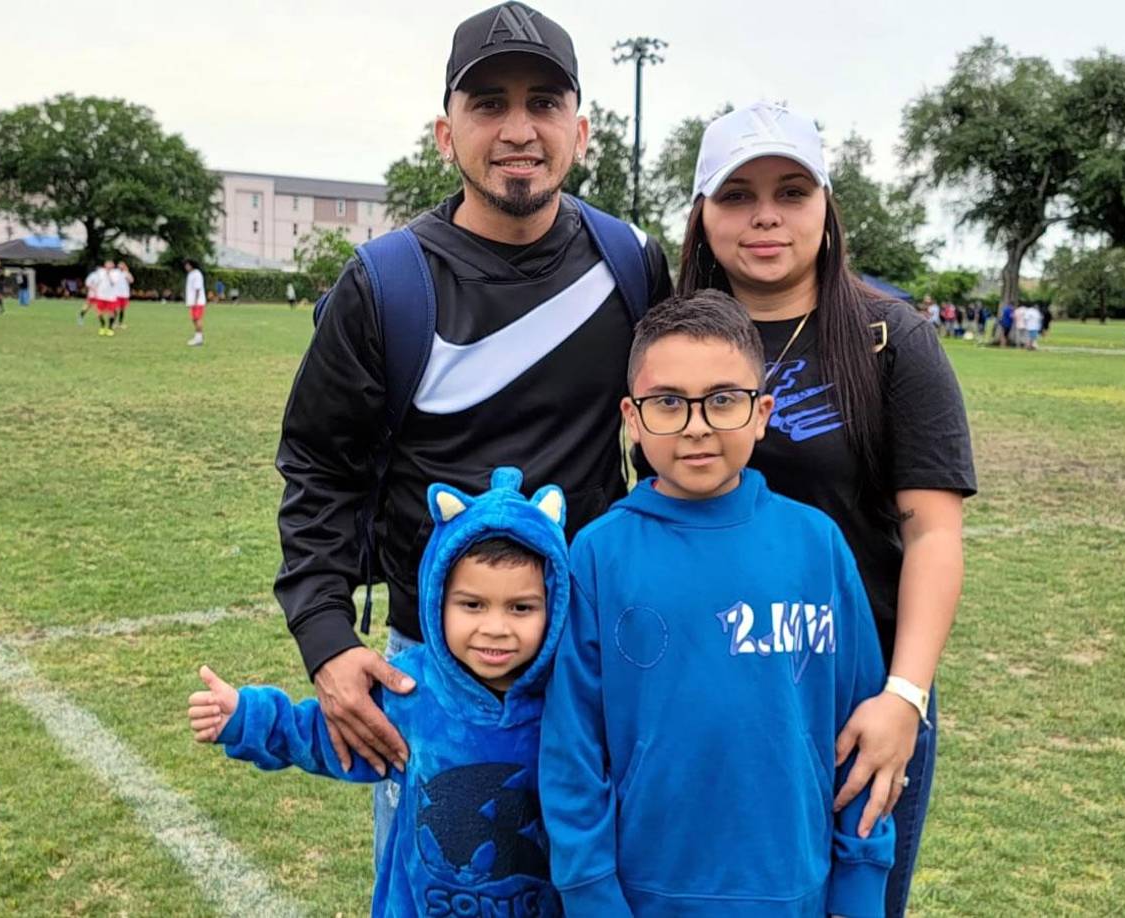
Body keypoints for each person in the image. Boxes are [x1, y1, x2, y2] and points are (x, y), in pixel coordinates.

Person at [272, 0, 672, 875]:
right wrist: (329, 641)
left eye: (543, 103)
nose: (518, 129)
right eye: (488, 103)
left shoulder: (632, 264)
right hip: (435, 677)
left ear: (582, 128)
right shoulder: (385, 285)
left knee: (599, 889)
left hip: (592, 665)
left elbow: (667, 454)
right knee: (450, 887)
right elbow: (318, 470)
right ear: (446, 133)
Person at [675, 102, 976, 917]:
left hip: (858, 699)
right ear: (702, 214)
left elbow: (934, 531)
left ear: (826, 206)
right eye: (736, 194)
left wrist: (903, 698)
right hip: (704, 689)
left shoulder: (892, 336)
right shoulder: (670, 337)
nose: (765, 216)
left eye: (791, 191)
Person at [540, 292, 895, 916]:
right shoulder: (598, 553)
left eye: (723, 400)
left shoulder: (817, 546)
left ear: (762, 413)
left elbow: (860, 737)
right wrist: (591, 894)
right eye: (669, 402)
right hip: (641, 895)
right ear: (632, 417)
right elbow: (572, 748)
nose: (697, 425)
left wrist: (860, 884)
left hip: (795, 891)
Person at [189, 469, 569, 916]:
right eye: (472, 605)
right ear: (436, 598)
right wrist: (246, 717)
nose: (496, 628)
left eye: (521, 608)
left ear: (554, 602)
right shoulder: (411, 690)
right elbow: (325, 734)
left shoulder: (570, 699)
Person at [184, 259, 206, 346]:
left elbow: (198, 288)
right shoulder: (190, 274)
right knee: (194, 319)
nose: (186, 267)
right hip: (192, 302)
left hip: (198, 302)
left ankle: (199, 338)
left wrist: (196, 301)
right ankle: (197, 337)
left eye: (187, 265)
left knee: (197, 319)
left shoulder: (197, 274)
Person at [114, 261, 134, 328]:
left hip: (124, 294)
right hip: (116, 294)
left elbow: (131, 281)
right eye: (120, 265)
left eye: (122, 265)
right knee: (116, 309)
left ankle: (120, 323)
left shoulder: (126, 273)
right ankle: (114, 323)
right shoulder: (115, 272)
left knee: (122, 309)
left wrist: (127, 273)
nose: (121, 266)